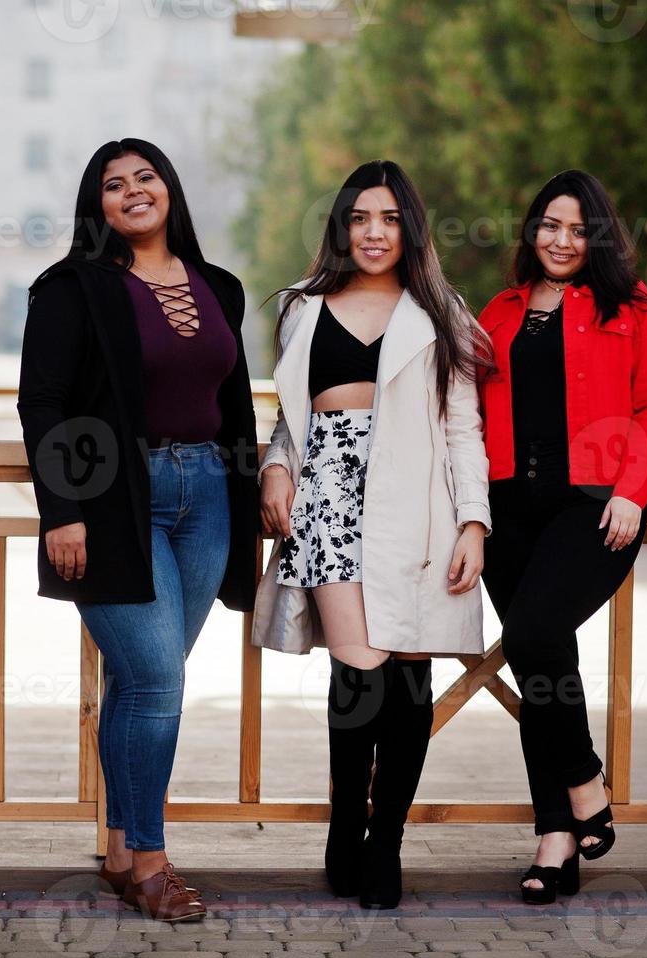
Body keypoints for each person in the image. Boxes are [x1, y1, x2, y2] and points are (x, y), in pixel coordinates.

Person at [17, 138, 259, 923]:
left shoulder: (219, 286)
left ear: (169, 189)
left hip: (210, 500)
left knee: (140, 681)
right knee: (157, 681)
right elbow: (42, 403)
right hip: (115, 500)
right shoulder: (70, 288)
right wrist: (64, 511)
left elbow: (235, 406)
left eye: (145, 177)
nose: (132, 192)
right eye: (113, 185)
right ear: (99, 206)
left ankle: (119, 849)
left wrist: (259, 488)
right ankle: (153, 863)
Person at [252, 160, 491, 910]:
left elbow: (462, 428)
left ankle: (383, 841)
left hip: (418, 509)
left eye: (388, 219)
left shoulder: (438, 310)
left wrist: (473, 522)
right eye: (360, 218)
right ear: (341, 227)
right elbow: (290, 419)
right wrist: (275, 470)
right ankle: (342, 826)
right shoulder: (300, 306)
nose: (374, 232)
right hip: (328, 503)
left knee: (408, 679)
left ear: (408, 228)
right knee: (357, 675)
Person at [476, 170, 647, 904]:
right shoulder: (496, 312)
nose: (561, 241)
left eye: (577, 229)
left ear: (598, 237)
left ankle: (586, 783)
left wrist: (634, 493)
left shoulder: (633, 311)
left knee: (533, 635)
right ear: (531, 231)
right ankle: (556, 839)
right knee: (542, 665)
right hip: (506, 509)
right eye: (549, 226)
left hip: (594, 508)